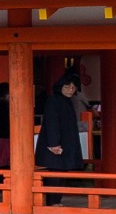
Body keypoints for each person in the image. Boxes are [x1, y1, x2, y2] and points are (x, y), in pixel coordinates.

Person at [36, 69, 85, 205]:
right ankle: (52, 202)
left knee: (62, 172)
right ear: (60, 86)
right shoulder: (53, 100)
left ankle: (57, 201)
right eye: (67, 86)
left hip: (65, 142)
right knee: (55, 173)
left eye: (73, 87)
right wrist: (54, 144)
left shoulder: (66, 101)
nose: (70, 90)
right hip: (55, 144)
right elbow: (52, 123)